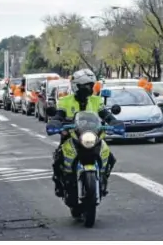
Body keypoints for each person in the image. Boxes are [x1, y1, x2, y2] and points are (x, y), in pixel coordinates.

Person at [47, 69, 118, 198]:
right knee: (58, 160)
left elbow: (105, 114)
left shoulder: (96, 100)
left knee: (111, 158)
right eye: (85, 86)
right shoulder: (65, 101)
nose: (88, 88)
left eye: (90, 85)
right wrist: (55, 122)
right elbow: (59, 115)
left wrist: (114, 122)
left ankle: (102, 180)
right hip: (71, 136)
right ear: (76, 86)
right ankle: (60, 185)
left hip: (93, 137)